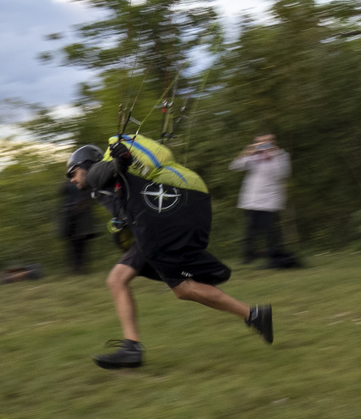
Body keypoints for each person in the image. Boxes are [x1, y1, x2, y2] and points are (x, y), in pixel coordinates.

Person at [69, 136, 273, 369]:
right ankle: (132, 347)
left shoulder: (101, 172)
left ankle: (252, 315)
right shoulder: (107, 191)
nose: (72, 180)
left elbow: (102, 172)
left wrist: (120, 162)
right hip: (164, 219)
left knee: (182, 288)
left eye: (72, 173)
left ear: (85, 164)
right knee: (118, 280)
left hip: (169, 214)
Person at [229, 133, 293, 267]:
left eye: (266, 141)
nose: (263, 145)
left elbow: (283, 173)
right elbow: (235, 166)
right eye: (260, 142)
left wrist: (273, 153)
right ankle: (248, 256)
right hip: (251, 199)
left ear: (274, 142)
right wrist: (248, 151)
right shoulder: (253, 156)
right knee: (250, 230)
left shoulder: (281, 156)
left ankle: (273, 257)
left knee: (270, 230)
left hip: (270, 200)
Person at [58, 153, 101, 275]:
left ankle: (80, 268)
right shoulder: (69, 183)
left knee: (81, 246)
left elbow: (90, 198)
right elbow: (61, 192)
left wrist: (82, 206)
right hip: (70, 219)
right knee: (71, 246)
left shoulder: (86, 183)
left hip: (82, 219)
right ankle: (73, 269)